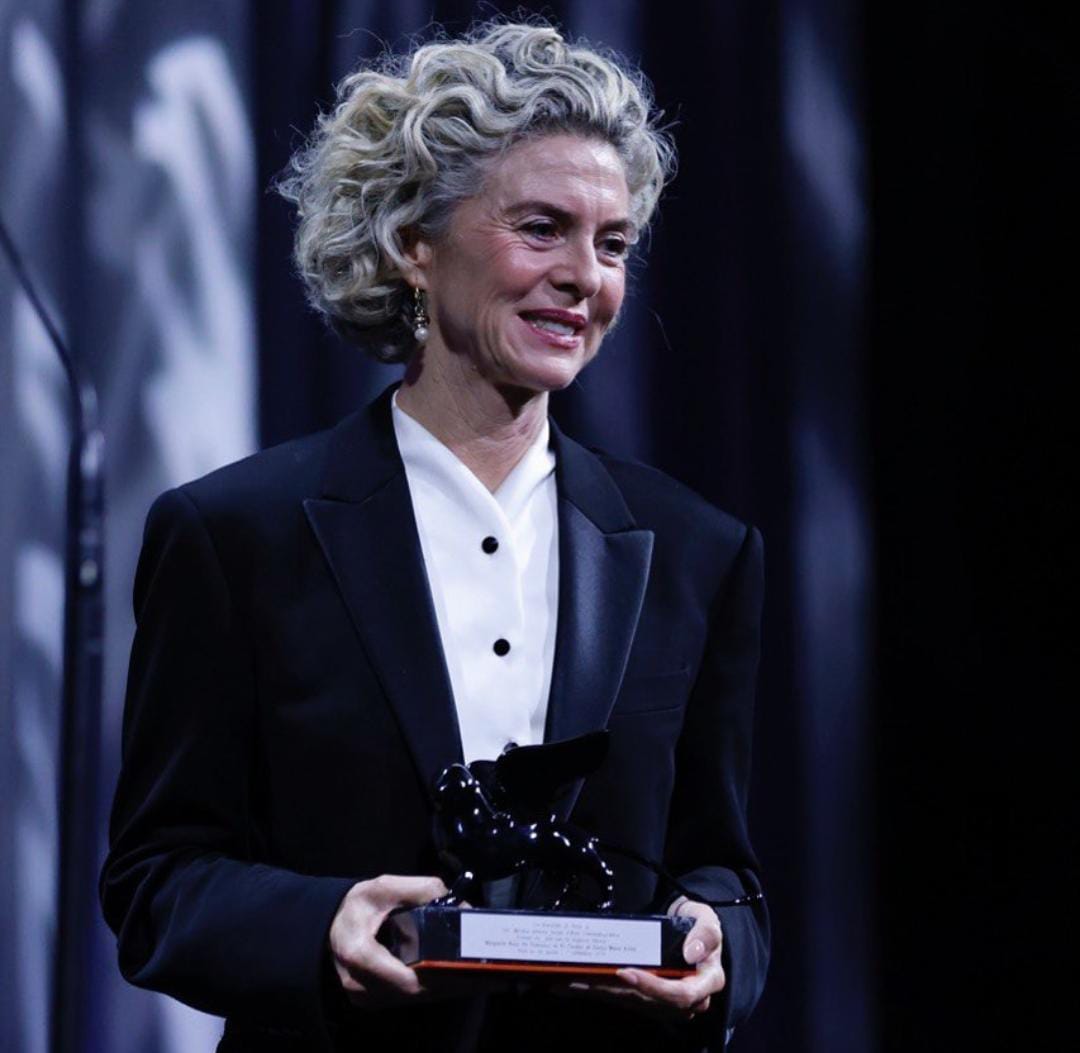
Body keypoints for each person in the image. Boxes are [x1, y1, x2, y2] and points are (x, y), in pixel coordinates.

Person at [101, 21, 769, 1052]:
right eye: (541, 228)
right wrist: (323, 924)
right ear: (413, 242)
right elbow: (158, 883)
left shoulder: (699, 551)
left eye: (613, 245)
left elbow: (725, 873)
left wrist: (720, 944)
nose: (584, 277)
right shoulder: (236, 537)